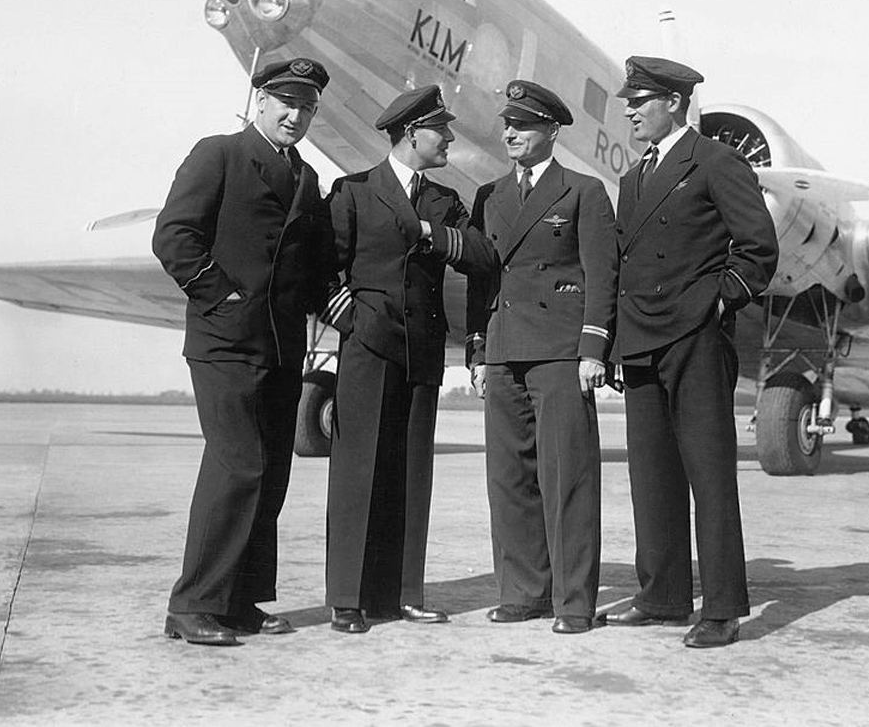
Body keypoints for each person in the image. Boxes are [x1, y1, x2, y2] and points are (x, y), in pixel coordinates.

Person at [154, 58, 333, 646]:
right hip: (225, 341)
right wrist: (223, 297)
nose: (295, 115)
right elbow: (175, 236)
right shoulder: (220, 153)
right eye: (285, 102)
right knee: (237, 464)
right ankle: (193, 605)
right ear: (260, 100)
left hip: (281, 349)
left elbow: (309, 266)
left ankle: (239, 602)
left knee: (269, 473)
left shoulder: (304, 177)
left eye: (306, 107)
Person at [604, 56, 778, 648]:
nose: (629, 110)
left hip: (695, 339)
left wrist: (717, 302)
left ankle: (724, 607)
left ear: (674, 103)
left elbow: (758, 249)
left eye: (640, 100)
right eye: (629, 100)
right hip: (641, 339)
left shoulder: (716, 161)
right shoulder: (633, 178)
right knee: (650, 475)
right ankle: (662, 599)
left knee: (709, 476)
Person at [321, 84, 495, 634]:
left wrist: (431, 235)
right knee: (356, 473)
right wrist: (350, 320)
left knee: (411, 474)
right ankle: (347, 598)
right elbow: (322, 269)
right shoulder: (352, 192)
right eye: (440, 131)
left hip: (421, 354)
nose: (448, 139)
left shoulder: (444, 202)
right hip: (368, 351)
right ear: (410, 134)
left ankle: (401, 594)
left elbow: (483, 255)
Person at [465, 80, 618, 635]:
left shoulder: (583, 191)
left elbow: (603, 276)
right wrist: (479, 350)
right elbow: (485, 278)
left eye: (524, 125)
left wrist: (593, 349)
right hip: (504, 351)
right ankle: (522, 591)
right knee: (508, 479)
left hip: (559, 352)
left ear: (551, 131)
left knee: (568, 479)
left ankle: (574, 602)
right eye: (507, 123)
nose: (510, 133)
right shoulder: (489, 197)